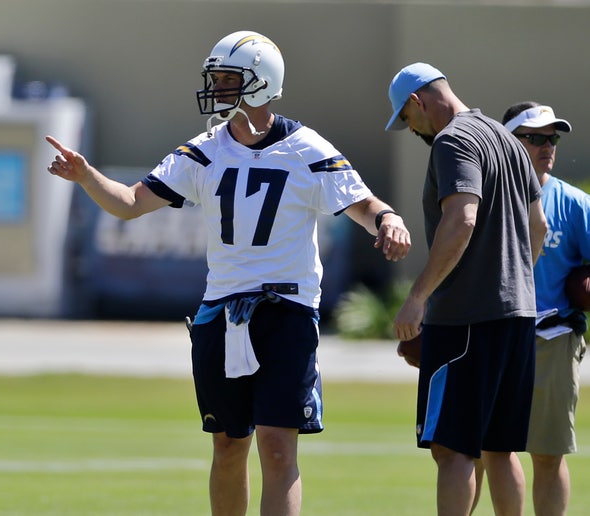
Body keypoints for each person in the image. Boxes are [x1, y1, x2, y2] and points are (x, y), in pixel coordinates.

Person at [47, 31, 411, 515]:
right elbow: (132, 203)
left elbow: (362, 204)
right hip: (221, 313)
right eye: (216, 78)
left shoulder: (305, 147)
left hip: (287, 309)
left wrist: (389, 220)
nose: (216, 88)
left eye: (226, 78)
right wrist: (86, 175)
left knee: (278, 446)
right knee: (227, 445)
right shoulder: (204, 149)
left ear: (261, 83)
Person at [385, 62, 548, 516]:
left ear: (417, 102)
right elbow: (539, 226)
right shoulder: (506, 140)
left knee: (452, 448)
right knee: (501, 448)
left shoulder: (452, 140)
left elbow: (463, 218)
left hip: (467, 320)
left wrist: (417, 297)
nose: (410, 127)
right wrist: (514, 282)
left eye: (406, 118)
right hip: (517, 316)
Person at [499, 102, 589, 516]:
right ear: (507, 141)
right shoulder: (481, 196)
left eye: (551, 138)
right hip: (494, 336)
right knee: (493, 449)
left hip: (553, 337)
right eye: (534, 137)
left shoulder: (574, 203)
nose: (546, 146)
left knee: (549, 454)